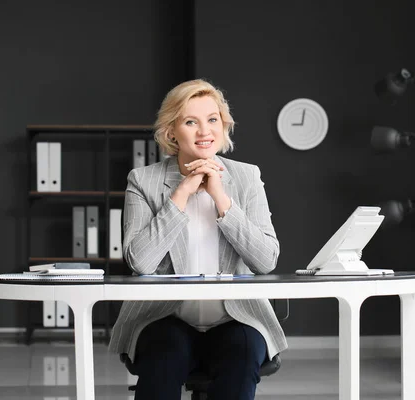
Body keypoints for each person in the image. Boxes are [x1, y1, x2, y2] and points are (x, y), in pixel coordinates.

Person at [109, 79, 287, 400]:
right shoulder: (143, 181)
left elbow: (265, 260)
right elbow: (140, 262)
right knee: (164, 358)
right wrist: (181, 195)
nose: (205, 131)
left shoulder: (246, 177)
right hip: (164, 316)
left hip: (237, 316)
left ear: (224, 126)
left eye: (213, 120)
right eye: (191, 121)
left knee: (242, 356)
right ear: (171, 132)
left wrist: (221, 198)